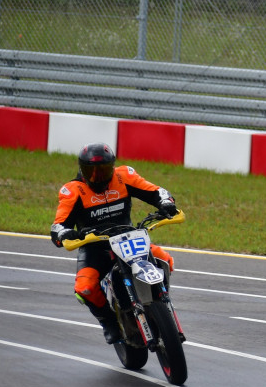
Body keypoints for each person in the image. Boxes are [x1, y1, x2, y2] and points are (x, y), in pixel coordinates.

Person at [50, 143, 179, 344]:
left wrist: (166, 202)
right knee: (85, 287)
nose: (98, 176)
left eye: (103, 170)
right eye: (91, 171)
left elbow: (156, 191)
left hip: (129, 239)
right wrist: (64, 233)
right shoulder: (73, 190)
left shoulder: (124, 176)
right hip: (95, 247)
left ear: (112, 167)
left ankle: (160, 300)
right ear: (82, 170)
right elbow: (58, 224)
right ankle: (108, 321)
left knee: (165, 260)